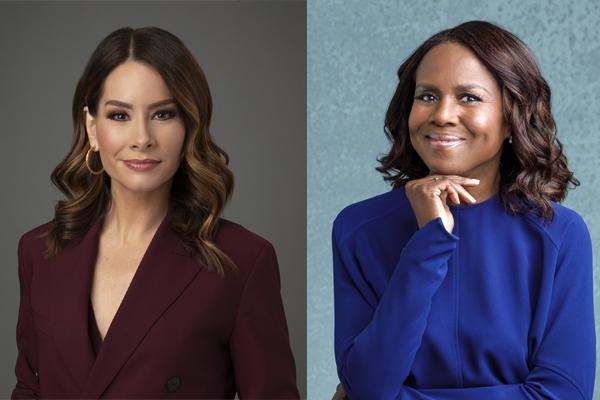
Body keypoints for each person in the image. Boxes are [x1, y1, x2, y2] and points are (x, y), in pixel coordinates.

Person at [12, 26, 299, 399]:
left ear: (189, 127)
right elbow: (28, 388)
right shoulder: (40, 250)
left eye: (163, 114)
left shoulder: (242, 260)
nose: (142, 137)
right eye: (119, 116)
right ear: (92, 128)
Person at [331, 20, 595, 399]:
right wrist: (429, 243)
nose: (442, 115)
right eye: (427, 96)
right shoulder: (358, 228)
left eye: (469, 97)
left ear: (511, 118)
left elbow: (563, 393)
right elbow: (371, 386)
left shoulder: (559, 233)